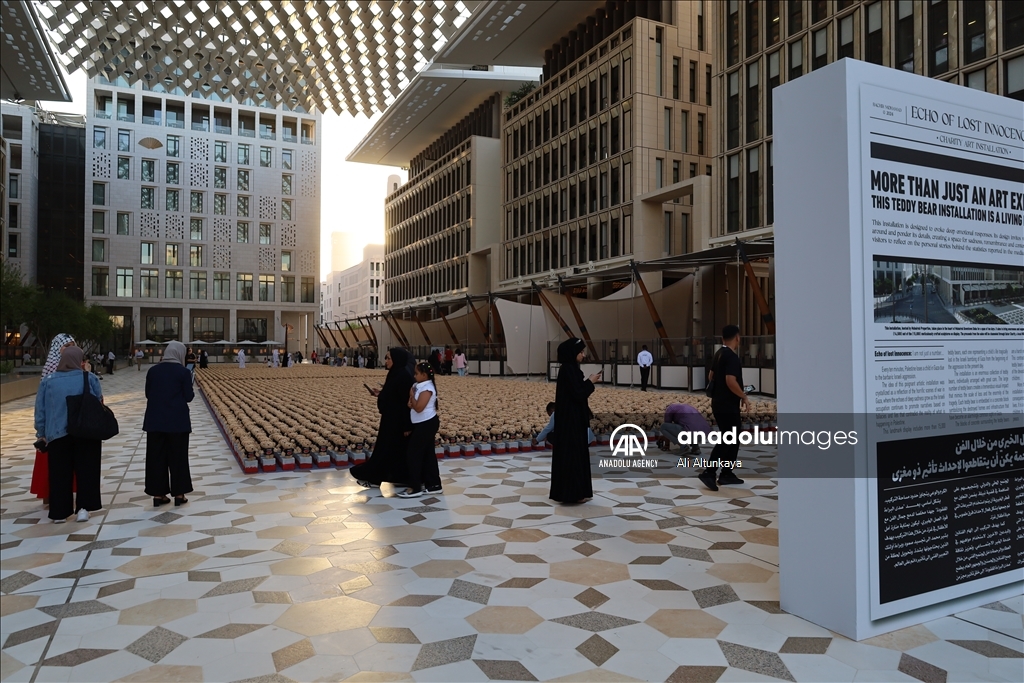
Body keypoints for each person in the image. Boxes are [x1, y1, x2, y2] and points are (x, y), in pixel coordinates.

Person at [34, 345, 103, 523]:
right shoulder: (90, 378)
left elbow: (40, 410)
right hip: (86, 433)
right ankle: (84, 509)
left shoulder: (48, 381)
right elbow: (99, 403)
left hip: (57, 435)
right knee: (87, 471)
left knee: (59, 473)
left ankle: (59, 512)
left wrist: (41, 433)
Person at [351, 348, 415, 490]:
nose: (386, 361)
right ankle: (399, 478)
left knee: (387, 451)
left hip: (397, 423)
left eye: (388, 358)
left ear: (397, 359)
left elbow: (406, 403)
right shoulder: (394, 374)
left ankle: (374, 477)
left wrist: (407, 426)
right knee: (392, 451)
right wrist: (380, 394)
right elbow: (392, 395)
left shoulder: (403, 376)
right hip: (390, 420)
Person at [549, 338, 601, 504]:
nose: (583, 355)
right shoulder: (570, 370)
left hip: (570, 422)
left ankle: (574, 492)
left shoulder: (569, 369)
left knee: (573, 457)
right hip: (571, 424)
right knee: (573, 458)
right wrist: (591, 382)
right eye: (580, 352)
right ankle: (574, 494)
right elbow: (578, 394)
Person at [143, 340, 194, 507]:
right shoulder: (183, 372)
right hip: (177, 421)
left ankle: (158, 495)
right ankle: (179, 494)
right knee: (178, 457)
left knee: (156, 458)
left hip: (155, 421)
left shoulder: (153, 371)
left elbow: (148, 394)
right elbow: (188, 397)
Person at [700, 325, 750, 491]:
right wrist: (743, 395)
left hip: (719, 403)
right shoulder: (732, 357)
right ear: (737, 337)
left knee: (733, 437)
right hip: (728, 405)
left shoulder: (719, 354)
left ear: (723, 338)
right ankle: (710, 472)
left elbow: (711, 376)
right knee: (728, 438)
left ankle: (727, 473)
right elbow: (730, 380)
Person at [30, 334, 77, 503]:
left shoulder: (76, 367)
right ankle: (49, 494)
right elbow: (42, 402)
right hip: (53, 423)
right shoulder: (51, 369)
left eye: (72, 345)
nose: (69, 349)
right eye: (66, 345)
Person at [398, 361, 442, 498]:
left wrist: (411, 396)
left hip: (427, 423)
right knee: (428, 454)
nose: (414, 375)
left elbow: (418, 407)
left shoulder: (427, 388)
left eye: (416, 373)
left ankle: (415, 486)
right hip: (420, 423)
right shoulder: (417, 385)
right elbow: (410, 405)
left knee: (413, 453)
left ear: (424, 375)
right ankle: (434, 484)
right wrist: (411, 400)